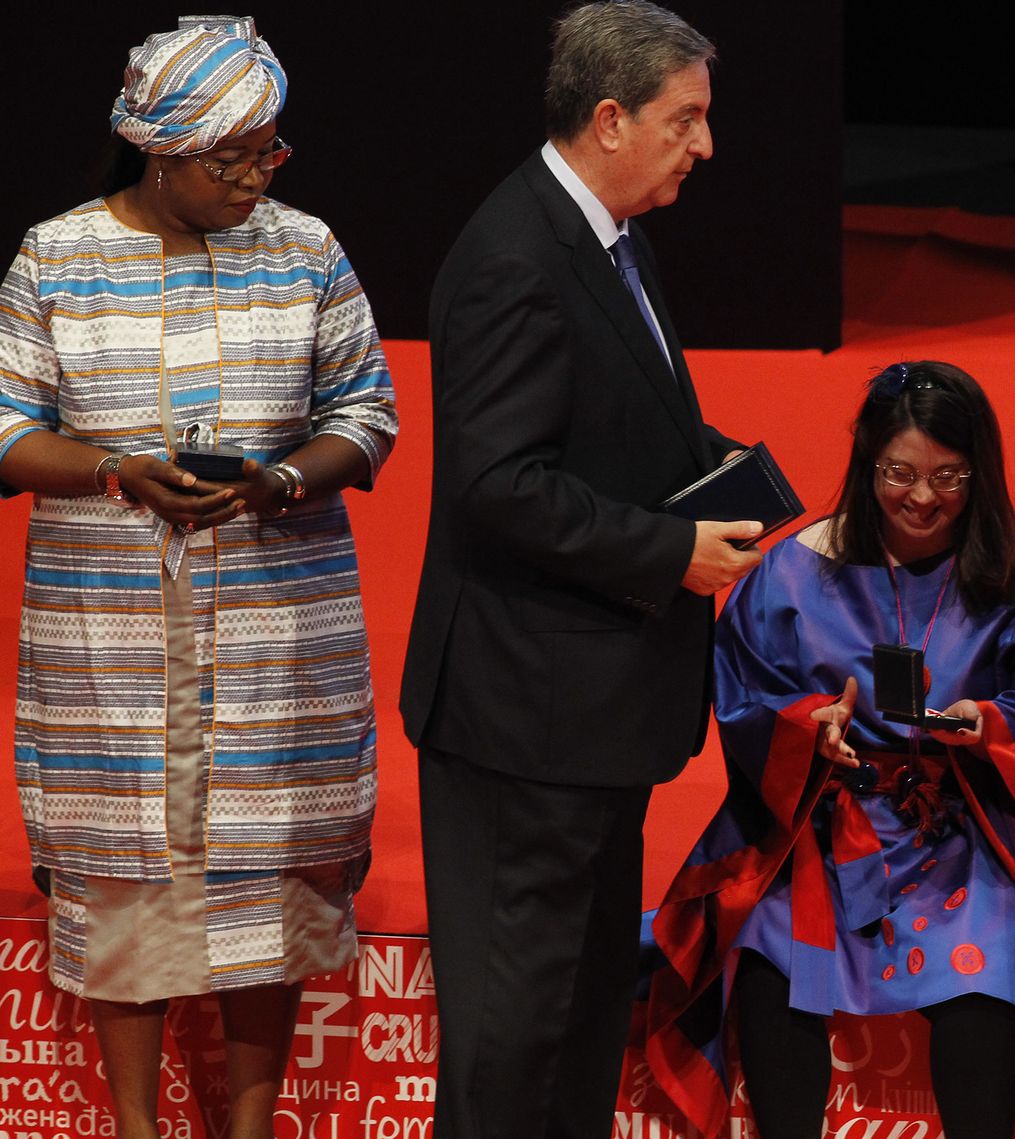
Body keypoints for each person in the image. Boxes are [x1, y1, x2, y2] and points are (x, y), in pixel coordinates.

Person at [0, 16, 397, 1139]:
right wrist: (115, 468)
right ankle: (135, 1123)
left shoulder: (305, 248)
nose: (258, 175)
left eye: (269, 150)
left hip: (278, 629)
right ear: (157, 153)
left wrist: (279, 481)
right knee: (125, 875)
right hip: (110, 641)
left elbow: (368, 412)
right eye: (233, 158)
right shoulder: (58, 255)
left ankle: (251, 1125)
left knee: (270, 871)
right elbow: (4, 425)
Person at [397, 3, 761, 1136]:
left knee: (582, 1005)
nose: (705, 145)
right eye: (685, 119)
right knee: (516, 1029)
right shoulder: (516, 257)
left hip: (590, 714)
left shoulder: (610, 230)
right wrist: (672, 548)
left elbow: (614, 419)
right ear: (610, 119)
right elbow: (496, 486)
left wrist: (720, 472)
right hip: (524, 722)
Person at [641, 362, 1015, 1139]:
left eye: (949, 476)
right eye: (899, 472)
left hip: (960, 836)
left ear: (979, 471)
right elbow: (743, 695)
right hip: (818, 827)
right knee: (772, 950)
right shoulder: (791, 571)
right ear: (866, 462)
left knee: (987, 972)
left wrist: (993, 726)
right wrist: (806, 728)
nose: (922, 497)